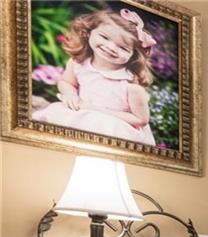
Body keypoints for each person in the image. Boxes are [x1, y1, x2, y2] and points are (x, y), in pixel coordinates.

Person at [33, 9, 157, 146]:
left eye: (123, 48)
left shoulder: (130, 86)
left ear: (134, 56)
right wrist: (70, 94)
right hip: (80, 114)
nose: (111, 47)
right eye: (104, 37)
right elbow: (66, 82)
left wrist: (94, 110)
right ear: (89, 31)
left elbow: (140, 119)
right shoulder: (78, 64)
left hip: (114, 126)